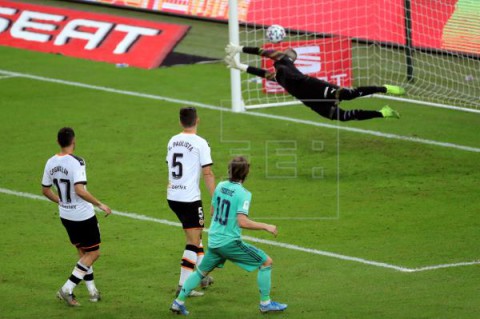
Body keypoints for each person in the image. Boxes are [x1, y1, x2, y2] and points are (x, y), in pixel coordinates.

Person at [170, 156, 287, 315]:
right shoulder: (243, 194)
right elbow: (242, 222)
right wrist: (266, 226)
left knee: (200, 272)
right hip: (229, 243)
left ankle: (178, 302)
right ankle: (265, 303)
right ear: (246, 174)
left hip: (215, 240)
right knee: (266, 262)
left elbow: (212, 211)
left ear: (229, 171)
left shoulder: (220, 186)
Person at [225, 43, 405, 121]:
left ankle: (384, 88)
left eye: (291, 52)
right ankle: (383, 113)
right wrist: (238, 65)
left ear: (290, 57)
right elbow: (261, 71)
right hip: (311, 101)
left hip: (314, 87)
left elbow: (261, 51)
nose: (289, 51)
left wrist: (239, 49)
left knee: (348, 95)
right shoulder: (278, 75)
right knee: (341, 117)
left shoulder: (283, 61)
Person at [41, 127, 111, 307]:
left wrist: (61, 201)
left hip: (66, 215)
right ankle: (67, 289)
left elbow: (45, 190)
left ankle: (93, 292)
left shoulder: (50, 162)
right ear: (74, 141)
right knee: (93, 253)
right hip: (83, 216)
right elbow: (80, 190)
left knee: (83, 253)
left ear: (58, 142)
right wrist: (99, 204)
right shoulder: (77, 162)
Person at [166, 107, 216, 297]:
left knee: (195, 232)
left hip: (173, 196)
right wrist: (215, 198)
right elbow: (208, 172)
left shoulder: (172, 140)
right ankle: (184, 285)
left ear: (181, 122)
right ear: (198, 120)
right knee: (193, 242)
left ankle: (202, 276)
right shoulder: (200, 142)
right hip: (189, 198)